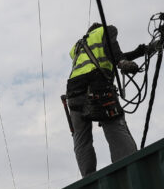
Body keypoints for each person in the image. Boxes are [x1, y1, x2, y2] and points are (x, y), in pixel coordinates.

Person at [65, 23, 156, 176]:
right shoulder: (107, 30)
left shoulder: (77, 46)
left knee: (81, 137)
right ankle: (129, 168)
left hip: (73, 93)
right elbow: (112, 51)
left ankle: (88, 178)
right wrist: (123, 63)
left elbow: (111, 54)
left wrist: (143, 51)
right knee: (114, 126)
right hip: (97, 86)